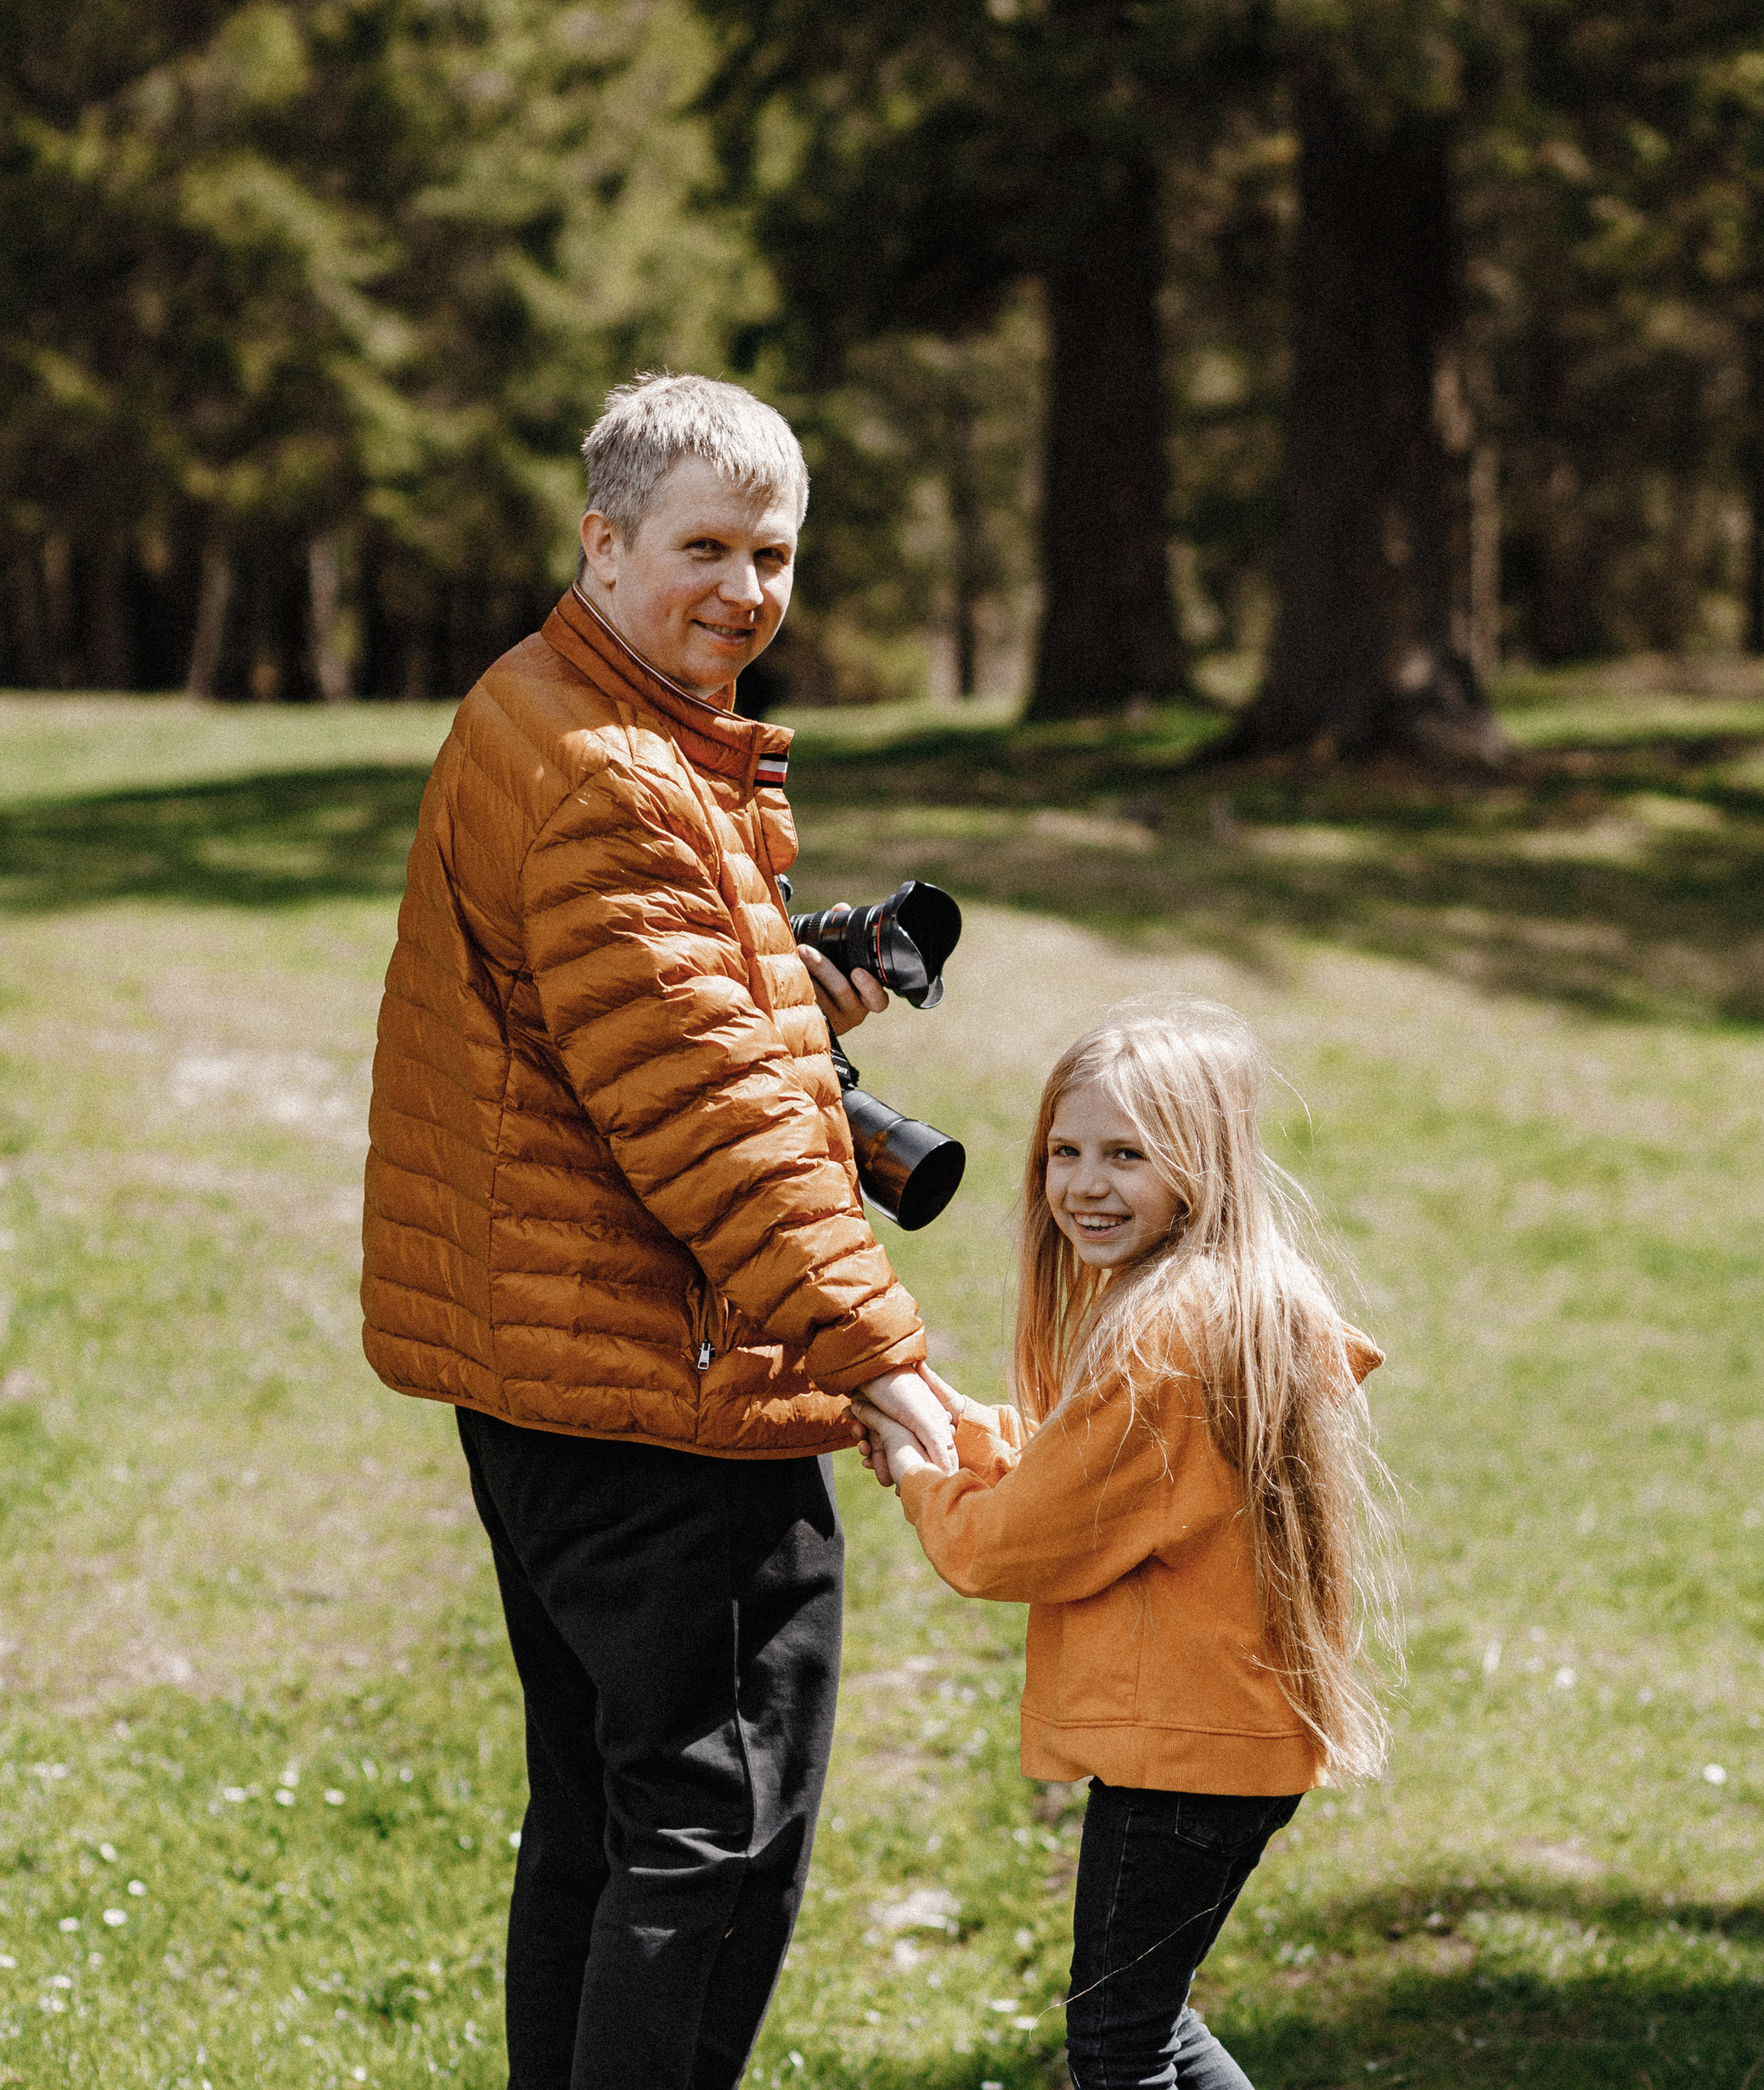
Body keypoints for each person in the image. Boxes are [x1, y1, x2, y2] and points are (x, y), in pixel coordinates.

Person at [360, 371, 961, 2090]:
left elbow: (644, 1034)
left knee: (607, 1818)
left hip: (547, 1373)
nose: (744, 589)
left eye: (771, 554)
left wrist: (792, 987)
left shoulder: (535, 710)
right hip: (654, 1386)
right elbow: (709, 1122)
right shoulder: (609, 775)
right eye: (704, 545)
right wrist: (877, 1350)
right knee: (713, 1824)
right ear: (601, 540)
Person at [854, 1000, 1395, 2090]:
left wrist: (916, 1472)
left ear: (1202, 1162)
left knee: (1120, 2045)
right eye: (1064, 1150)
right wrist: (953, 1423)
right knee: (1151, 2022)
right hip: (1229, 1736)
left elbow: (1004, 1547)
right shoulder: (1229, 1303)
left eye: (1127, 1154)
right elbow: (1089, 1476)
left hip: (1179, 1755)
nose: (1085, 1184)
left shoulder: (1164, 1338)